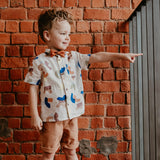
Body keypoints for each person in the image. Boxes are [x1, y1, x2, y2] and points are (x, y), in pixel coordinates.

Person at [24, 9, 142, 160]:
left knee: (71, 151)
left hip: (72, 116)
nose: (67, 38)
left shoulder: (74, 57)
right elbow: (32, 88)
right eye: (62, 34)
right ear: (47, 35)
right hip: (51, 118)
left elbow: (97, 56)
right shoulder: (39, 62)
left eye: (69, 34)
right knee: (48, 153)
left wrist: (122, 56)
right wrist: (35, 115)